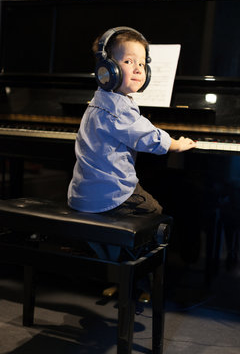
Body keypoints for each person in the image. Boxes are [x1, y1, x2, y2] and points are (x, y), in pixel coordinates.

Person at [67, 26, 196, 261]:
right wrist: (175, 144)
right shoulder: (119, 107)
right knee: (154, 211)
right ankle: (130, 269)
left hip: (83, 193)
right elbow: (148, 136)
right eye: (128, 61)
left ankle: (105, 252)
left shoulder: (98, 101)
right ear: (107, 69)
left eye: (142, 63)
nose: (138, 69)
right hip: (110, 194)